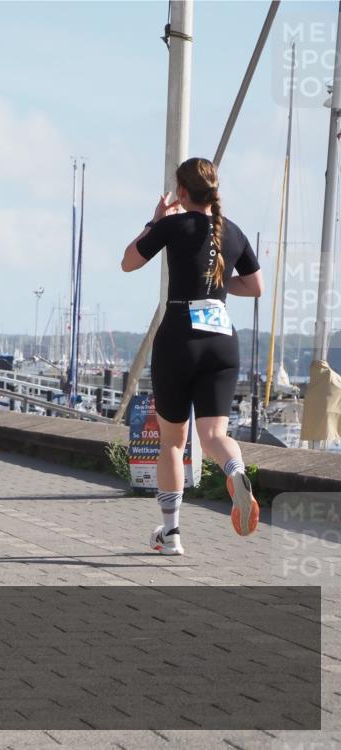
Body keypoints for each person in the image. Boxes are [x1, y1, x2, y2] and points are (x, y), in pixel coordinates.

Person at [122, 157, 263, 556]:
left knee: (172, 441)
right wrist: (217, 283)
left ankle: (171, 535)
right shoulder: (232, 232)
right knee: (215, 436)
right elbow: (256, 287)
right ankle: (235, 473)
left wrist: (155, 221)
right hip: (221, 338)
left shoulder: (172, 224)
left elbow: (128, 262)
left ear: (181, 192)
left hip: (179, 336)